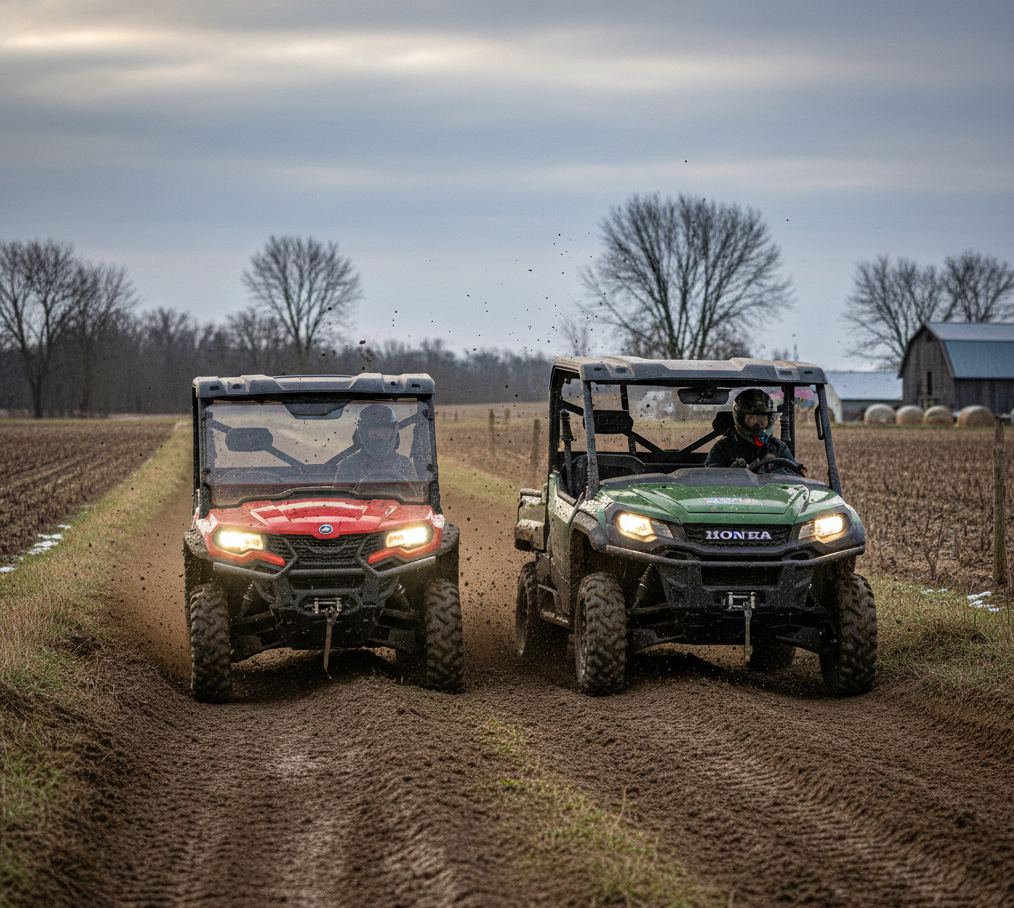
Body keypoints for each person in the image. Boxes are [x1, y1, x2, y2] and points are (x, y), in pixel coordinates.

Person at [704, 389, 804, 475]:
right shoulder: (723, 448)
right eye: (752, 419)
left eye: (762, 419)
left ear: (769, 420)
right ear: (740, 419)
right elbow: (709, 480)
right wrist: (733, 474)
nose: (758, 425)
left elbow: (798, 477)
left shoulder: (777, 447)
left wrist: (771, 473)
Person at [334, 404, 418, 482]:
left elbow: (416, 496)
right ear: (364, 434)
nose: (381, 438)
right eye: (375, 432)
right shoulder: (348, 467)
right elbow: (340, 497)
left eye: (386, 432)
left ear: (393, 433)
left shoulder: (405, 465)